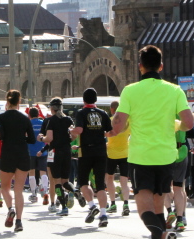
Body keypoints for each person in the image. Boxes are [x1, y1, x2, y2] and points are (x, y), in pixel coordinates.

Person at [111, 45, 194, 239]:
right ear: (161, 66)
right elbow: (189, 123)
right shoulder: (175, 90)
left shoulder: (130, 90)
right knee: (158, 209)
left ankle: (163, 235)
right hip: (166, 157)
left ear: (140, 67)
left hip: (141, 156)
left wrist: (113, 131)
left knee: (144, 210)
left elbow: (118, 124)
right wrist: (175, 125)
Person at [71, 88, 113, 227]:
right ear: (96, 99)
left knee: (83, 182)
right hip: (101, 151)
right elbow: (110, 132)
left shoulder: (81, 113)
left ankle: (92, 206)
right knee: (100, 185)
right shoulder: (103, 113)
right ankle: (103, 214)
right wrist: (100, 135)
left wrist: (70, 131)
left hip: (86, 151)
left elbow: (79, 130)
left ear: (84, 100)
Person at [0, 90, 35, 233]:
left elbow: (1, 136)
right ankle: (19, 221)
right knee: (19, 190)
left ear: (7, 101)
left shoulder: (1, 117)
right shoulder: (25, 117)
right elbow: (32, 139)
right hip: (23, 154)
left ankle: (10, 209)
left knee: (4, 186)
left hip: (8, 153)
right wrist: (21, 138)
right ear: (19, 101)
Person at [38, 97, 75, 217]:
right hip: (67, 151)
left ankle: (61, 206)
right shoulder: (68, 119)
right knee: (65, 180)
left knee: (55, 181)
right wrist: (67, 140)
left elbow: (49, 138)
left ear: (52, 108)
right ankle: (75, 191)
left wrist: (41, 138)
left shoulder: (50, 120)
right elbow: (74, 134)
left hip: (54, 152)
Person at [104, 100, 131, 216]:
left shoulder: (109, 121)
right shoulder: (127, 122)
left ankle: (113, 204)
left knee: (109, 179)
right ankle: (126, 204)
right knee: (124, 181)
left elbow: (105, 134)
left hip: (111, 154)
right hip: (125, 153)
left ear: (112, 109)